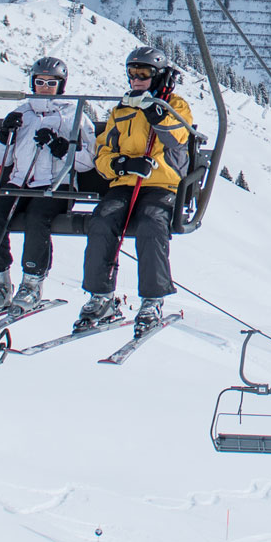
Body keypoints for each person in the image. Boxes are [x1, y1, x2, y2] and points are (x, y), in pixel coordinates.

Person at [77, 45, 196, 336]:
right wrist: (121, 164)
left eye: (143, 73)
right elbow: (102, 154)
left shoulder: (175, 105)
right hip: (125, 184)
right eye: (132, 73)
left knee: (152, 224)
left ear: (158, 76)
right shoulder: (122, 110)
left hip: (161, 184)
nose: (136, 79)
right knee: (102, 221)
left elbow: (178, 136)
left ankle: (152, 300)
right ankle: (100, 296)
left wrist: (158, 113)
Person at [0, 56, 82, 312]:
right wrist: (4, 136)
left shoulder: (73, 115)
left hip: (57, 185)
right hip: (20, 183)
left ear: (61, 86)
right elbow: (1, 159)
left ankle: (32, 283)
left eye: (51, 83)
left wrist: (62, 149)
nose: (44, 87)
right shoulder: (22, 113)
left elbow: (88, 160)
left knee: (37, 217)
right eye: (40, 81)